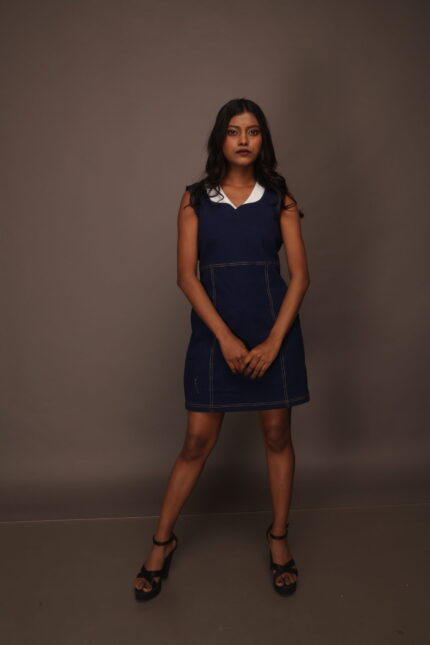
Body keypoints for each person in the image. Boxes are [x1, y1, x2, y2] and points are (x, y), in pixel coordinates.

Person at [134, 97, 311, 601]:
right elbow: (186, 277)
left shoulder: (281, 199)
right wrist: (227, 339)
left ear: (262, 140)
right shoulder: (194, 199)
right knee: (196, 442)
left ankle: (278, 538)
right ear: (220, 139)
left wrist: (273, 342)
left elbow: (300, 277)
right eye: (234, 131)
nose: (243, 139)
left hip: (274, 333)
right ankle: (162, 542)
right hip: (215, 337)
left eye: (252, 131)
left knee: (276, 435)